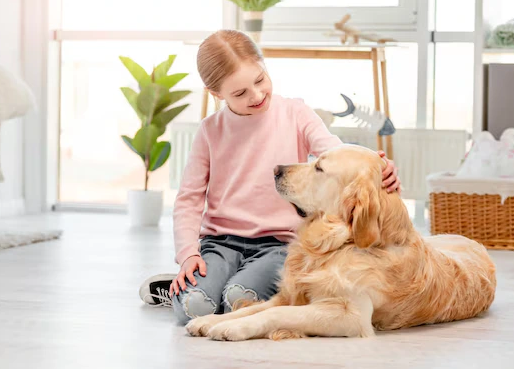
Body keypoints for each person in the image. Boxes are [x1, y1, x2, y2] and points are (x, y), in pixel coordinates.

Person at [138, 30, 401, 324]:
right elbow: (189, 199)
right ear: (216, 94)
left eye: (260, 79)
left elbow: (335, 154)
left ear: (264, 65)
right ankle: (191, 288)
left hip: (279, 246)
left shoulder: (296, 113)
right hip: (220, 245)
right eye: (239, 93)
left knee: (240, 299)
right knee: (194, 308)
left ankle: (220, 287)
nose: (257, 95)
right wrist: (188, 254)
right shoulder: (210, 131)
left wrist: (377, 166)